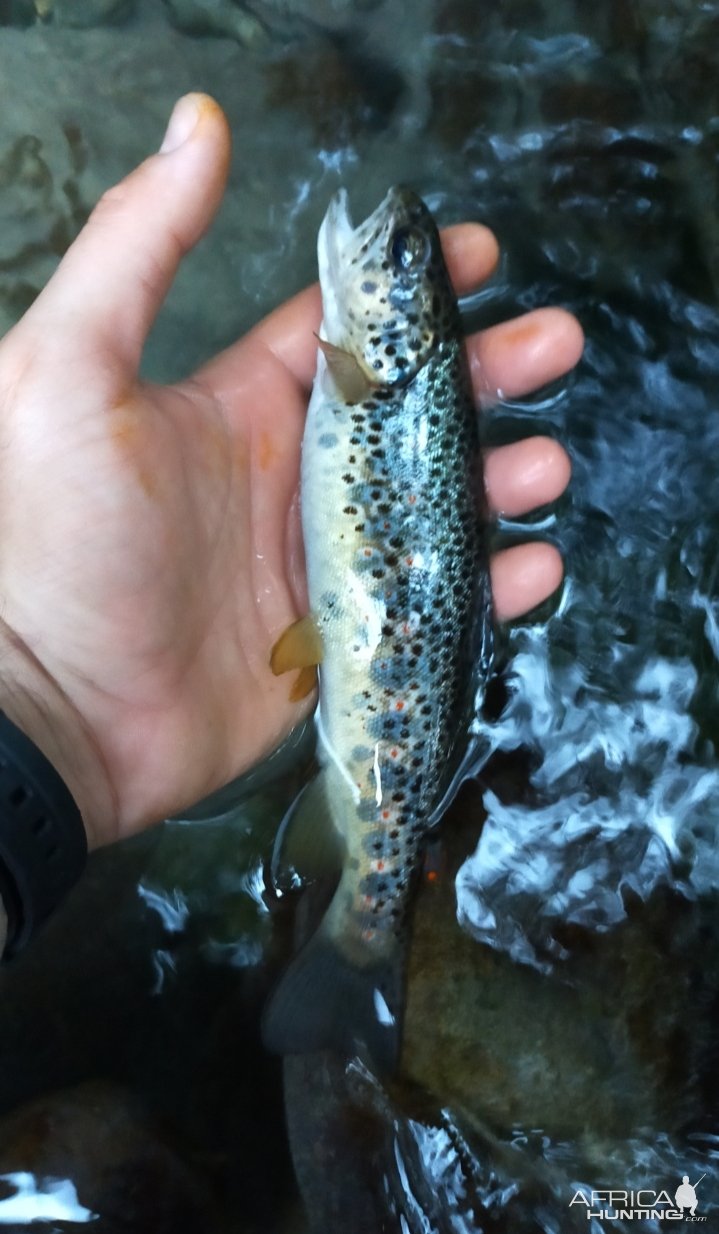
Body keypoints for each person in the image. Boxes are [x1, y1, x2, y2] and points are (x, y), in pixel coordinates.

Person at [0, 94, 581, 916]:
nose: (398, 241)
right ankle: (362, 920)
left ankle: (362, 923)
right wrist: (30, 686)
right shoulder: (362, 365)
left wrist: (33, 693)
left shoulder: (360, 367)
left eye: (405, 262)